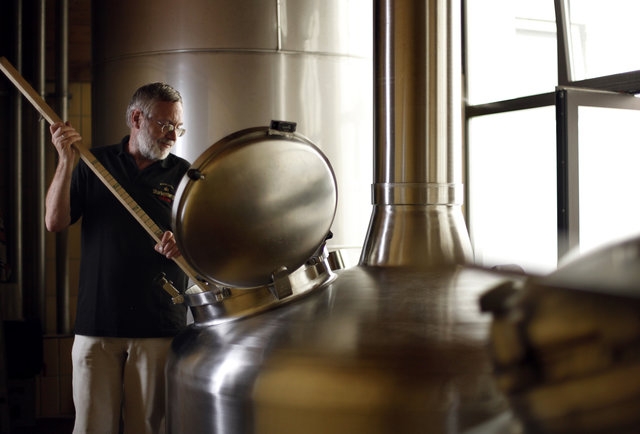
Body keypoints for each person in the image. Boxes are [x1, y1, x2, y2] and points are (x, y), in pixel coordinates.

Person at [45, 82, 191, 434]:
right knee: (92, 427)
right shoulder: (95, 164)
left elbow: (207, 241)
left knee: (148, 428)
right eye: (165, 124)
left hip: (158, 326)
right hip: (98, 324)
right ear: (136, 118)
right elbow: (54, 221)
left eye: (178, 127)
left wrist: (185, 244)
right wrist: (66, 161)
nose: (172, 135)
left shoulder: (185, 175)